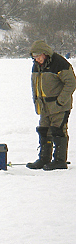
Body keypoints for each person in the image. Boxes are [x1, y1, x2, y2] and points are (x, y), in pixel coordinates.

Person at [27, 40, 76, 170]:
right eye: (34, 57)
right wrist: (36, 101)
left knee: (58, 131)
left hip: (59, 106)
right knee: (44, 131)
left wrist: (60, 101)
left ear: (45, 53)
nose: (36, 59)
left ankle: (60, 161)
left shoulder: (60, 63)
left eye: (38, 57)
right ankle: (44, 158)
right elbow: (35, 85)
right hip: (44, 107)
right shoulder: (36, 66)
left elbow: (71, 83)